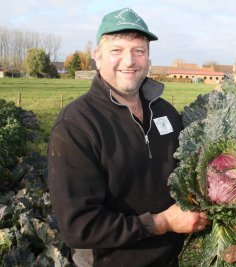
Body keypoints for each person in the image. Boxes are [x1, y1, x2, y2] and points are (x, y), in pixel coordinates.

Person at [47, 7, 207, 267]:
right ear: (97, 58)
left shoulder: (165, 112)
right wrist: (162, 223)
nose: (130, 61)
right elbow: (80, 227)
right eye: (116, 50)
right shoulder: (76, 125)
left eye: (138, 50)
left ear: (148, 59)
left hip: (172, 260)